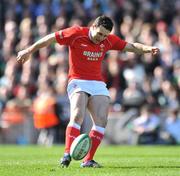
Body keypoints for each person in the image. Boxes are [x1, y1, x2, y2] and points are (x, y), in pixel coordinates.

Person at [17, 15, 159, 168]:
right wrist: (29, 50)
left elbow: (130, 46)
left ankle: (88, 160)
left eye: (105, 35)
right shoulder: (76, 33)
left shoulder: (108, 40)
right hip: (77, 80)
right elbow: (50, 38)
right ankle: (66, 155)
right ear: (93, 27)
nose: (102, 38)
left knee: (101, 121)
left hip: (97, 83)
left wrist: (147, 48)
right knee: (78, 114)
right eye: (100, 34)